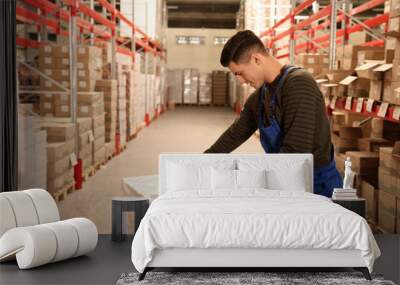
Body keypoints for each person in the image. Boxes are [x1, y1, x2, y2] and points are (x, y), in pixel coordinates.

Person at [204, 30, 342, 197]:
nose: (240, 81)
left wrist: (254, 177)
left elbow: (296, 153)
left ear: (256, 59)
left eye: (239, 73)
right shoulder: (261, 96)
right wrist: (202, 162)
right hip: (286, 178)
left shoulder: (299, 85)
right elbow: (234, 135)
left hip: (315, 187)